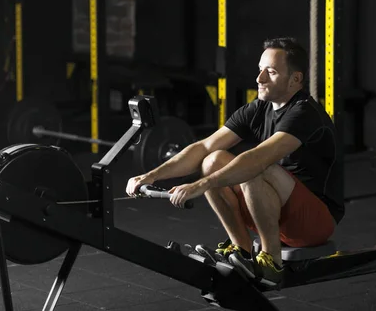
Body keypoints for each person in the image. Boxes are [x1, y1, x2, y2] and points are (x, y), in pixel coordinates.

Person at [126, 37, 344, 287]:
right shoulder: (259, 109)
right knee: (213, 160)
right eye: (260, 70)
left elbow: (258, 159)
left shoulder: (304, 113)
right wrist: (151, 176)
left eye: (270, 72)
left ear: (295, 79)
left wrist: (200, 186)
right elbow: (204, 146)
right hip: (272, 213)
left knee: (254, 166)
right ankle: (241, 250)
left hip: (314, 224)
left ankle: (271, 262)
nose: (259, 78)